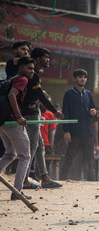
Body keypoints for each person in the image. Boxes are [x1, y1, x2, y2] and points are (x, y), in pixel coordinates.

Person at [22, 47, 64, 189]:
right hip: (29, 114)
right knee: (32, 147)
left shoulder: (34, 74)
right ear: (39, 59)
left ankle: (44, 178)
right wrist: (55, 111)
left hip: (34, 113)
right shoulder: (31, 75)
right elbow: (40, 95)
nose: (48, 60)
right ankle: (24, 180)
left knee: (39, 147)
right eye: (46, 57)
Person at [0, 57, 34, 200]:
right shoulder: (22, 79)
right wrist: (19, 117)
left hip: (3, 123)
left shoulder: (13, 78)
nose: (32, 71)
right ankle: (17, 192)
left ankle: (17, 191)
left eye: (33, 69)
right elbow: (11, 95)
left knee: (10, 154)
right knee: (25, 156)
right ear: (21, 68)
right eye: (29, 68)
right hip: (13, 123)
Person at [61, 69, 97, 181]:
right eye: (80, 77)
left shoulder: (88, 94)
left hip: (87, 132)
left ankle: (92, 181)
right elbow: (65, 113)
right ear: (75, 78)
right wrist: (66, 131)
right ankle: (62, 179)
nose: (83, 79)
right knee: (69, 157)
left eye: (84, 77)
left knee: (90, 158)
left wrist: (93, 112)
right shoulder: (69, 94)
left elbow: (93, 110)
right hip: (74, 132)